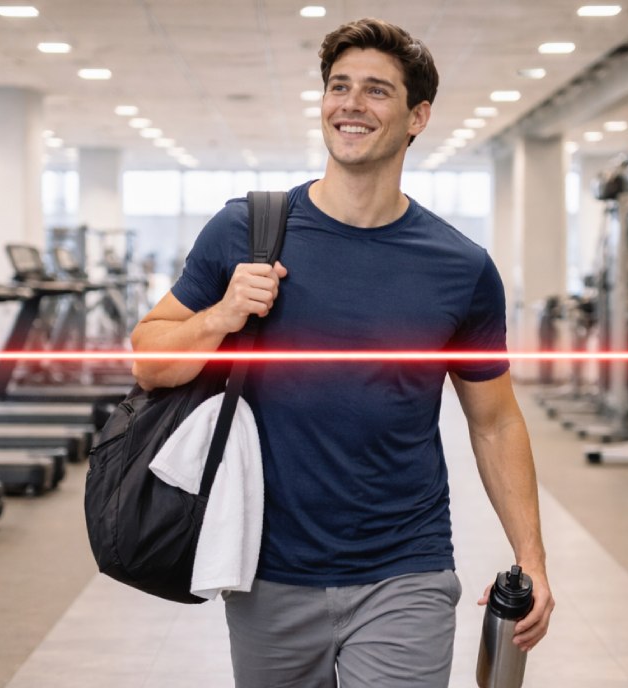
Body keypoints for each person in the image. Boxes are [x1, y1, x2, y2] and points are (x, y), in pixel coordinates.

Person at [130, 17, 553, 687]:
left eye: (376, 90)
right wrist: (221, 314)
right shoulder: (247, 230)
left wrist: (532, 555)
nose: (351, 104)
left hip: (406, 567)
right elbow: (149, 362)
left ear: (418, 117)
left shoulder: (460, 266)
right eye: (339, 86)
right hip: (267, 569)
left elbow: (495, 421)